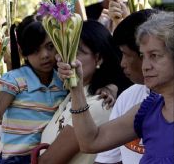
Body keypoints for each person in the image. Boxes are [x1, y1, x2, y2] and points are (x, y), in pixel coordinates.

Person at [58, 11, 174, 163]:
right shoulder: (149, 108)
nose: (145, 66)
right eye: (142, 56)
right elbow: (91, 142)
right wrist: (76, 88)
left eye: (154, 55)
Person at [37, 20, 131, 163]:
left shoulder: (99, 103)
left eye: (76, 52)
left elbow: (47, 162)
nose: (66, 58)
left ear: (98, 58)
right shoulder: (71, 94)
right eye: (64, 50)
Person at [0, 17, 67, 163]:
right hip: (12, 159)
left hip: (44, 156)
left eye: (49, 46)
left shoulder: (63, 81)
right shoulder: (15, 80)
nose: (45, 55)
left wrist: (108, 88)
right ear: (23, 53)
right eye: (35, 50)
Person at [95, 9, 158, 164]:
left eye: (126, 54)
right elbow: (98, 149)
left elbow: (91, 141)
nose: (122, 63)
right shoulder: (129, 97)